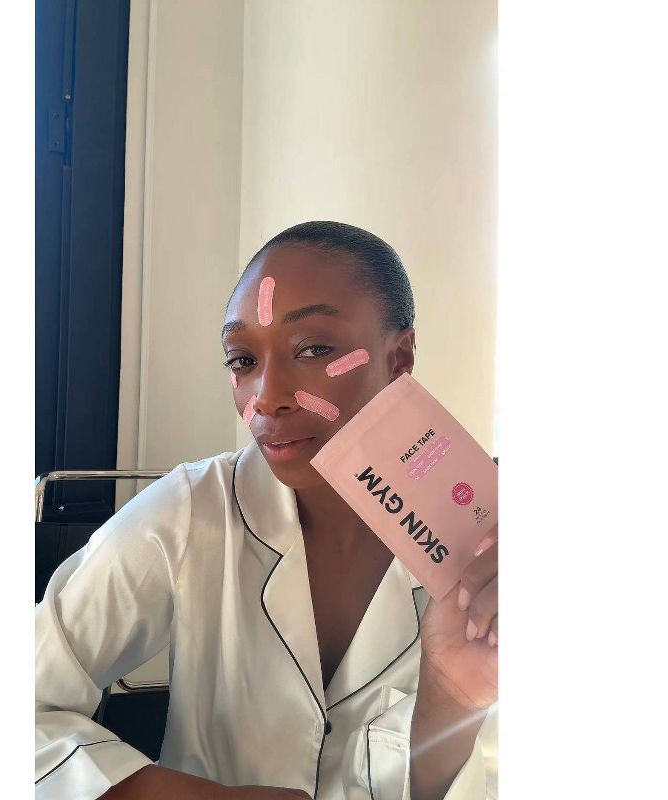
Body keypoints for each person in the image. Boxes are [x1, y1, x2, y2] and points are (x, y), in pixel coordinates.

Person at [35, 221, 498, 800]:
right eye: (242, 360)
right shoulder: (189, 513)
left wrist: (450, 702)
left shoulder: (482, 544)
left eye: (314, 349)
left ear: (398, 357)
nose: (267, 398)